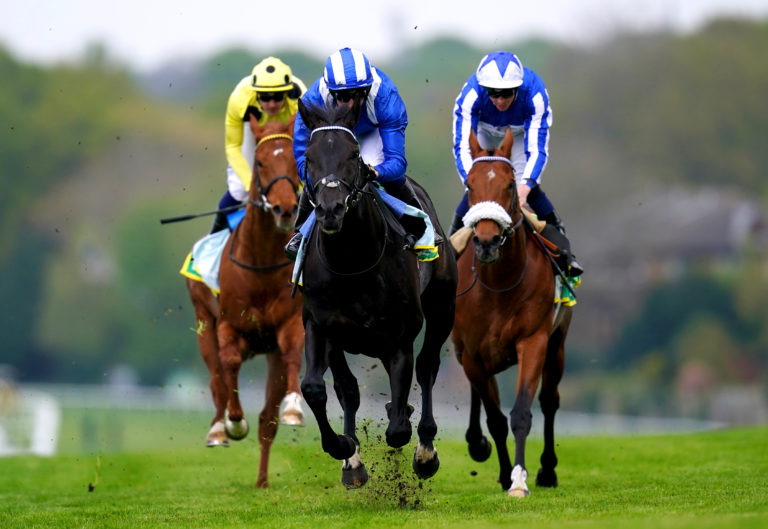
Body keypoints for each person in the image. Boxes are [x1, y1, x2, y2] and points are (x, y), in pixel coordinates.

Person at [452, 51, 583, 276]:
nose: (500, 100)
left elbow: (537, 150)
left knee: (521, 188)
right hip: (482, 128)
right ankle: (449, 251)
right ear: (484, 88)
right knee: (481, 186)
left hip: (521, 131)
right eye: (493, 94)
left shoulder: (535, 95)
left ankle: (563, 252)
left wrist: (526, 186)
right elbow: (462, 147)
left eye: (506, 93)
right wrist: (472, 183)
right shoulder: (471, 95)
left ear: (518, 88)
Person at [285, 47, 414, 259]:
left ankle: (418, 224)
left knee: (372, 169)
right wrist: (319, 179)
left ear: (367, 89)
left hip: (372, 133)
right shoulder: (313, 100)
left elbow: (397, 162)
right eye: (342, 96)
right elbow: (303, 159)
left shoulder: (385, 96)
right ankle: (301, 234)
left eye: (357, 94)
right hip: (334, 138)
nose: (350, 103)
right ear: (331, 92)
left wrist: (374, 172)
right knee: (323, 173)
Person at [210, 57, 307, 233]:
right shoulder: (239, 100)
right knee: (239, 190)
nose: (271, 104)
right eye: (265, 98)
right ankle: (210, 245)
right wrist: (251, 186)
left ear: (287, 93)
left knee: (308, 187)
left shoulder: (301, 100)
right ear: (256, 94)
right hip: (252, 128)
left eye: (277, 98)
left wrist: (299, 185)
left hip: (289, 130)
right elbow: (232, 147)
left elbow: (307, 144)